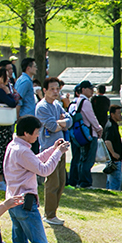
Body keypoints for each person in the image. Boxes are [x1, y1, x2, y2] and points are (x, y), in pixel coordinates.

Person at [4, 116, 71, 243]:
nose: (37, 136)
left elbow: (35, 161)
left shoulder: (14, 146)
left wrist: (53, 149)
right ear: (26, 133)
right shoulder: (22, 151)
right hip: (26, 204)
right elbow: (44, 170)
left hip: (14, 202)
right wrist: (59, 153)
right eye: (35, 133)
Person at [36, 77, 72, 225]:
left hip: (61, 148)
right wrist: (61, 123)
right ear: (44, 90)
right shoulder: (42, 107)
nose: (56, 92)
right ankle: (49, 214)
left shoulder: (57, 105)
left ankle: (53, 213)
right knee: (53, 182)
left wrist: (62, 123)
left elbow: (69, 121)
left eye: (57, 89)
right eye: (52, 89)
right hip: (49, 149)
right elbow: (52, 126)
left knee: (62, 181)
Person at [67, 81, 103, 188]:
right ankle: (85, 182)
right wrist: (98, 128)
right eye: (89, 88)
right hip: (89, 134)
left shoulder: (75, 102)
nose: (92, 90)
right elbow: (92, 117)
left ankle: (76, 180)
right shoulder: (86, 102)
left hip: (79, 134)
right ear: (83, 90)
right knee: (88, 159)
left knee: (79, 158)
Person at [0, 67, 18, 191]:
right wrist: (8, 93)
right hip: (2, 128)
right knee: (1, 152)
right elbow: (12, 103)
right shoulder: (0, 91)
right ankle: (0, 180)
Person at [16, 58, 38, 154]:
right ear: (28, 68)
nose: (36, 68)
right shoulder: (26, 81)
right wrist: (17, 117)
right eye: (34, 66)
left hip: (27, 116)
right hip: (26, 117)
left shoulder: (25, 80)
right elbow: (18, 100)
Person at [103, 105, 122, 190]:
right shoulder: (111, 126)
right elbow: (107, 141)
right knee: (115, 184)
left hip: (115, 160)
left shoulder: (114, 125)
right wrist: (114, 153)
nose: (121, 115)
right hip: (114, 161)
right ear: (112, 114)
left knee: (111, 183)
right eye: (118, 113)